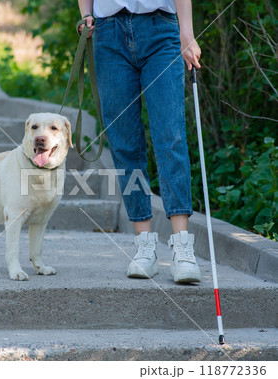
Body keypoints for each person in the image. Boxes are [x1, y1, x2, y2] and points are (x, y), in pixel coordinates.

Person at [78, 0, 202, 283]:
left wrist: (187, 31)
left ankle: (182, 246)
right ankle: (144, 245)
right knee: (123, 142)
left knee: (169, 135)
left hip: (161, 31)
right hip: (108, 34)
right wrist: (86, 15)